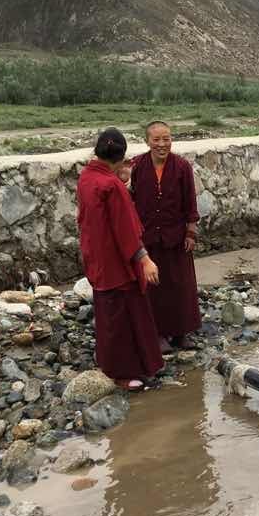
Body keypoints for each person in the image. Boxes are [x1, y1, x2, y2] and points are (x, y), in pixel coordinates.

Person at [76, 127, 164, 391]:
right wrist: (144, 258)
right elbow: (124, 229)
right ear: (119, 157)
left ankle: (110, 364)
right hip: (116, 263)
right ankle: (124, 373)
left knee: (108, 315)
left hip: (96, 257)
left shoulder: (87, 177)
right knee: (124, 317)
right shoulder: (111, 186)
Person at [129, 121, 202, 351]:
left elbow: (190, 202)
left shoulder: (182, 167)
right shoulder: (138, 166)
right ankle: (158, 334)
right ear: (147, 141)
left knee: (181, 285)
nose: (162, 144)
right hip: (149, 237)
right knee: (154, 287)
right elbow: (129, 199)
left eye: (166, 139)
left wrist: (191, 232)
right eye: (156, 140)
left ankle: (182, 333)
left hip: (176, 236)